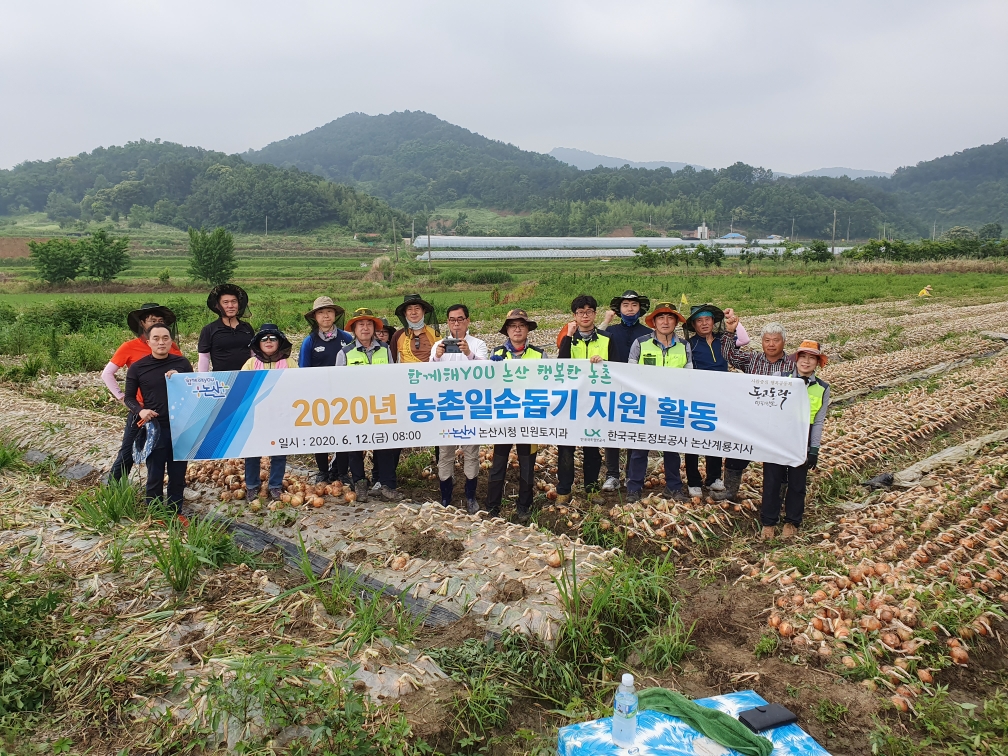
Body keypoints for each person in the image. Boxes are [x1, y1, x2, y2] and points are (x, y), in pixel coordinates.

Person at [714, 318, 798, 503]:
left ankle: (778, 498)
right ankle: (730, 491)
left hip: (778, 424)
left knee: (778, 462)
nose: (771, 344)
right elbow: (729, 355)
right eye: (767, 340)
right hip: (752, 421)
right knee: (736, 455)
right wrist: (729, 331)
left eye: (775, 340)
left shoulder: (793, 366)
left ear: (784, 341)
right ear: (762, 342)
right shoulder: (753, 359)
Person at [103, 303, 183, 482]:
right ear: (142, 323)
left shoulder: (171, 346)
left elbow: (183, 373)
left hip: (169, 411)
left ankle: (168, 493)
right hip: (141, 410)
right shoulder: (129, 347)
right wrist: (122, 398)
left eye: (160, 321)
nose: (157, 324)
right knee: (127, 453)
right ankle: (113, 489)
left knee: (168, 454)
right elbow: (107, 374)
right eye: (152, 320)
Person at [760, 340, 830, 541]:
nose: (806, 362)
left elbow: (818, 421)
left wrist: (814, 448)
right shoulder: (780, 378)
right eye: (803, 357)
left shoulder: (822, 388)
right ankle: (768, 522)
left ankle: (792, 521)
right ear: (796, 359)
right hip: (778, 436)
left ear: (817, 363)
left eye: (812, 358)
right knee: (772, 480)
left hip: (802, 438)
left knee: (797, 483)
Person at [122, 324, 193, 520]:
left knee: (178, 474)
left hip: (180, 427)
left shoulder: (182, 364)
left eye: (165, 338)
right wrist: (141, 411)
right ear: (148, 342)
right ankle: (155, 514)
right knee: (155, 473)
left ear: (171, 341)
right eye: (156, 338)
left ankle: (175, 513)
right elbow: (129, 398)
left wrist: (181, 379)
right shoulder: (138, 367)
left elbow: (194, 391)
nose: (161, 342)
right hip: (156, 428)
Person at [680, 304, 749, 498]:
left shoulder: (723, 340)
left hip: (721, 395)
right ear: (693, 325)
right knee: (693, 438)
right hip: (696, 396)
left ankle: (713, 478)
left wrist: (734, 321)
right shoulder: (690, 344)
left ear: (713, 321)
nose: (704, 323)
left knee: (715, 435)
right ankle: (693, 481)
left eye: (707, 319)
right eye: (699, 321)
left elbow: (744, 340)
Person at [625, 302, 692, 503]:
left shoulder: (684, 346)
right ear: (653, 322)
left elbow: (690, 377)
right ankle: (634, 488)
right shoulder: (640, 343)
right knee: (640, 448)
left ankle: (674, 487)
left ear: (676, 322)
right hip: (645, 404)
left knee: (672, 448)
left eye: (670, 317)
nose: (665, 322)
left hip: (671, 405)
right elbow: (629, 374)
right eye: (661, 317)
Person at [337, 308, 402, 503]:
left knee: (384, 444)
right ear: (354, 329)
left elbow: (392, 376)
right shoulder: (344, 353)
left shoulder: (384, 349)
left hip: (380, 405)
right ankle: (360, 483)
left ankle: (387, 485)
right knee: (355, 446)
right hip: (354, 407)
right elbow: (338, 383)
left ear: (374, 328)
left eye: (368, 324)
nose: (365, 328)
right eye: (361, 325)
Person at [487, 309, 545, 524]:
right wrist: (491, 371)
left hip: (529, 418)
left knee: (527, 465)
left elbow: (548, 383)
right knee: (498, 463)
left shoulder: (539, 355)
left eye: (521, 325)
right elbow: (487, 384)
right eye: (513, 326)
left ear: (528, 329)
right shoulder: (497, 353)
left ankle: (524, 506)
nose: (517, 329)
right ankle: (492, 506)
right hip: (504, 417)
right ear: (507, 330)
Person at [430, 303, 488, 512]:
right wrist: (436, 357)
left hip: (471, 407)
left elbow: (486, 371)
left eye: (460, 319)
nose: (456, 324)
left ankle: (470, 496)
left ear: (467, 321)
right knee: (445, 452)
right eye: (452, 320)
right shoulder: (438, 345)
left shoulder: (478, 344)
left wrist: (469, 354)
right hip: (447, 406)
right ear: (447, 322)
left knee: (471, 452)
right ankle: (446, 497)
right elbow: (429, 375)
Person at [556, 295, 611, 503]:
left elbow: (617, 369)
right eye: (580, 312)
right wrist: (569, 336)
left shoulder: (607, 339)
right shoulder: (568, 339)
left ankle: (591, 488)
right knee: (566, 449)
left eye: (589, 311)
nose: (585, 316)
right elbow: (561, 366)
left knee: (592, 448)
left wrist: (603, 363)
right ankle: (563, 490)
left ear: (595, 314)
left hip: (595, 401)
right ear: (574, 316)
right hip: (570, 402)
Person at [597, 290, 652, 492]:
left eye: (634, 305)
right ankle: (612, 474)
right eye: (626, 305)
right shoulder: (609, 332)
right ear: (619, 309)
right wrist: (605, 321)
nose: (630, 309)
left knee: (634, 431)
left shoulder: (648, 334)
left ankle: (631, 474)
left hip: (638, 389)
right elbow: (594, 340)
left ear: (640, 309)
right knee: (612, 432)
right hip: (612, 387)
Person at [298, 296, 353, 485]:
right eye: (321, 313)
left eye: (329, 311)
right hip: (318, 395)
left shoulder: (347, 338)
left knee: (343, 433)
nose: (326, 316)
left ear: (335, 314)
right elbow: (303, 371)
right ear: (315, 317)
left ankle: (342, 472)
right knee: (320, 433)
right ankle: (322, 470)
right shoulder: (309, 341)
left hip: (343, 395)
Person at [242, 324, 298, 500]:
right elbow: (242, 387)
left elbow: (298, 385)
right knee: (252, 452)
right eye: (264, 338)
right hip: (255, 415)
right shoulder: (251, 363)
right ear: (258, 343)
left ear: (279, 342)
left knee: (279, 451)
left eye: (273, 338)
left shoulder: (289, 363)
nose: (268, 341)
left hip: (281, 414)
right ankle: (252, 486)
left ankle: (275, 485)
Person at [198, 284, 255, 372]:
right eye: (225, 302)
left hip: (245, 376)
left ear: (239, 304)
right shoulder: (209, 330)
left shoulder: (247, 328)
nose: (230, 306)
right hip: (221, 377)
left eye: (234, 302)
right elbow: (204, 357)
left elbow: (253, 354)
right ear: (218, 306)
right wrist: (202, 377)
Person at [391, 294, 439, 363]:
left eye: (417, 308)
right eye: (409, 309)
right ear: (405, 313)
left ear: (423, 311)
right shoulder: (398, 335)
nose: (413, 312)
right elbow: (391, 361)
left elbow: (441, 358)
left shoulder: (434, 334)